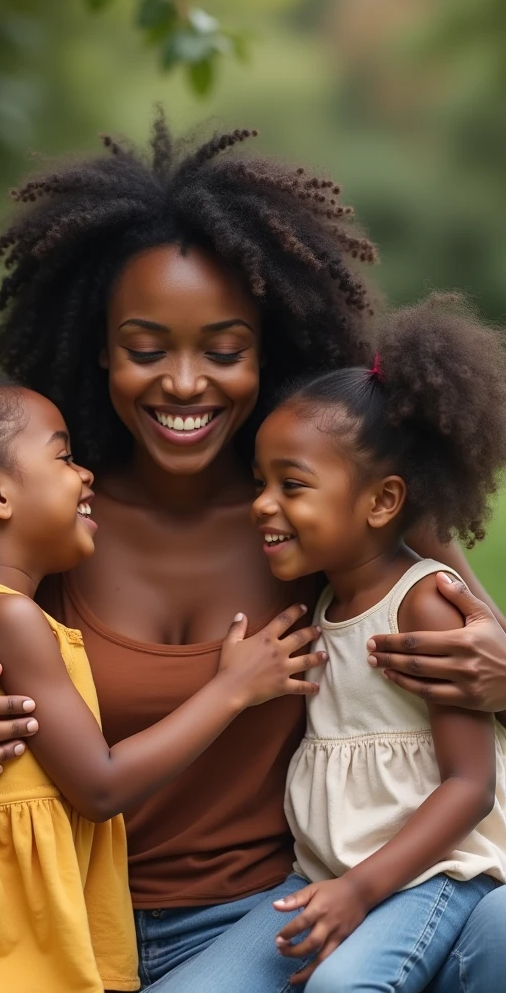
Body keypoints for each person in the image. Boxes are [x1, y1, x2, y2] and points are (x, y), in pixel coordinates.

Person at [0, 117, 506, 993]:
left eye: (225, 350)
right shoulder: (37, 527)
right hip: (40, 914)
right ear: (102, 350)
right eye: (147, 349)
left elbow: (469, 678)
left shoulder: (317, 524)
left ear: (270, 352)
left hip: (254, 918)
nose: (185, 383)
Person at [0, 357, 320, 993]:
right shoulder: (11, 619)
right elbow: (101, 785)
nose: (84, 474)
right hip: (7, 940)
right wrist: (233, 689)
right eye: (61, 458)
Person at [250, 297, 506, 991]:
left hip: (433, 871)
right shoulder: (329, 600)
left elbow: (471, 784)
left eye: (291, 486)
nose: (261, 504)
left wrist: (362, 890)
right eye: (259, 483)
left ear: (383, 502)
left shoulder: (424, 603)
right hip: (330, 874)